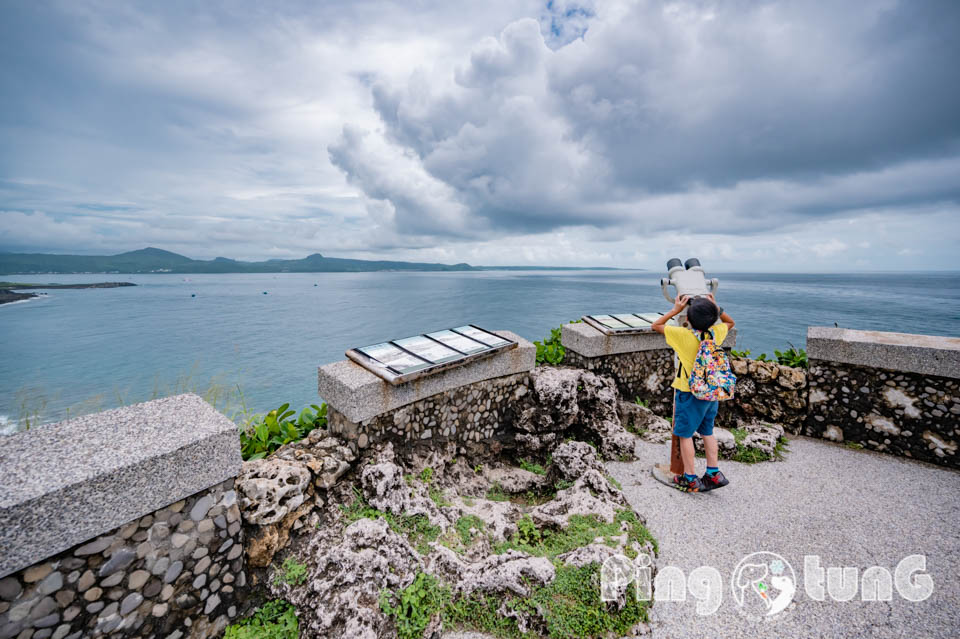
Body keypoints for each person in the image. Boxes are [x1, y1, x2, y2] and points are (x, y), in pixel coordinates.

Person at [651, 293, 735, 492]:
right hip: (711, 392)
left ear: (687, 319)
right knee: (707, 432)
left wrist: (675, 310)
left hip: (689, 393)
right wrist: (716, 308)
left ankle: (689, 477)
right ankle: (713, 473)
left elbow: (656, 326)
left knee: (685, 434)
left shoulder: (684, 336)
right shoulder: (717, 333)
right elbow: (730, 322)